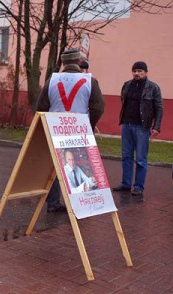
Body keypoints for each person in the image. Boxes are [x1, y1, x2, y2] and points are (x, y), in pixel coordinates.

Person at [37, 48, 105, 213]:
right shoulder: (90, 81)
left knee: (54, 166)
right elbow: (98, 107)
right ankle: (79, 203)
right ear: (79, 62)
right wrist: (89, 123)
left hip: (55, 128)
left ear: (62, 63)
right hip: (78, 130)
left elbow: (40, 107)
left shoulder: (52, 80)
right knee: (78, 164)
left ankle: (53, 203)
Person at [113, 61, 163, 196]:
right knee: (126, 156)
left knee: (141, 158)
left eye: (140, 71)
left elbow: (159, 108)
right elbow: (124, 101)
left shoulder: (153, 88)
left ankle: (139, 186)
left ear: (146, 72)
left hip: (142, 127)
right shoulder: (127, 85)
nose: (137, 73)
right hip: (127, 125)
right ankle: (126, 183)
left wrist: (156, 126)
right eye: (134, 71)